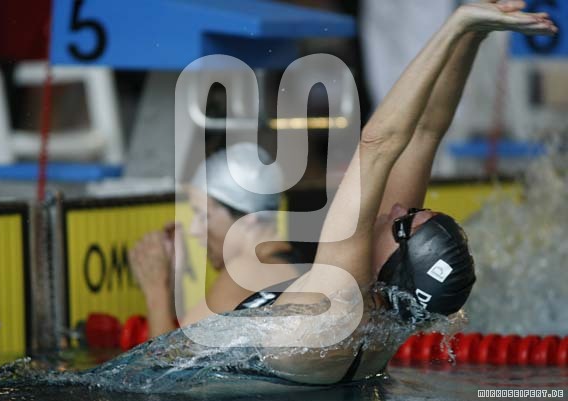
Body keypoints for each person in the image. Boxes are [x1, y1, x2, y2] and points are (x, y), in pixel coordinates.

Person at [229, 0, 555, 385]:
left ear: (395, 264)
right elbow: (425, 131)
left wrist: (454, 25)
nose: (400, 207)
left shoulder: (337, 302)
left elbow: (377, 145)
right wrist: (472, 36)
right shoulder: (388, 309)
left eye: (404, 221)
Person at [129, 143, 303, 337]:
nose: (195, 230)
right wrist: (174, 282)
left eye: (204, 216)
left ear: (248, 217)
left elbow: (170, 355)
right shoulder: (287, 266)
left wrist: (156, 292)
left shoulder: (245, 272)